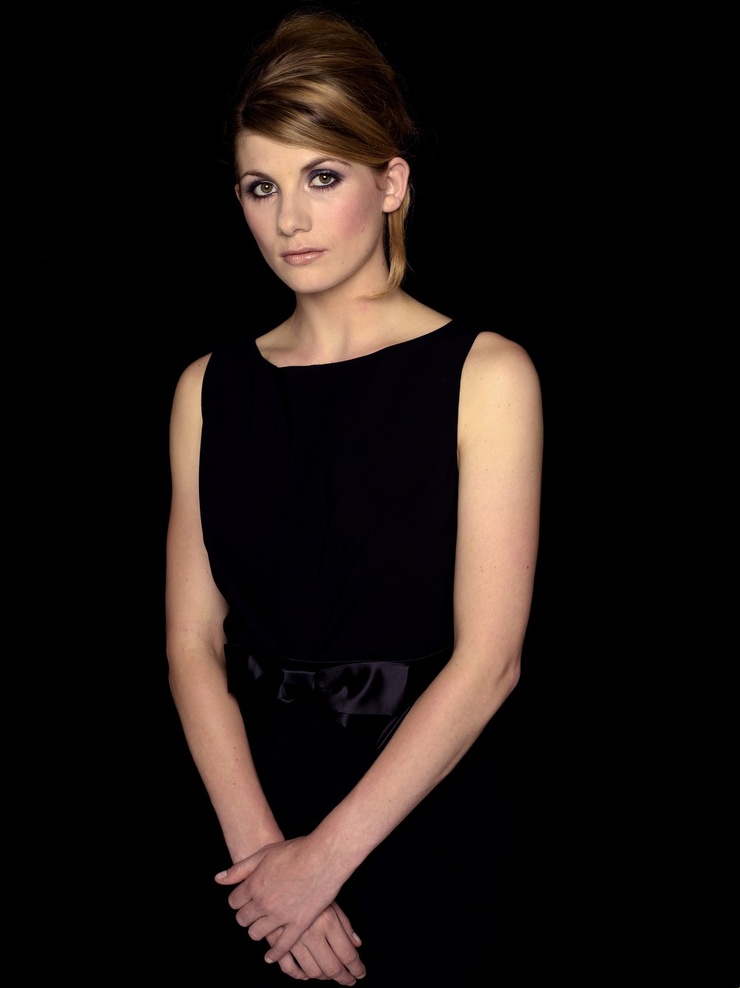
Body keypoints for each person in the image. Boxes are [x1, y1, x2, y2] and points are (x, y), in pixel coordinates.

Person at [165, 7, 543, 985]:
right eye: (262, 186)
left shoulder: (486, 375)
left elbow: (490, 662)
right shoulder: (209, 389)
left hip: (425, 830)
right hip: (242, 834)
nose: (288, 219)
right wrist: (265, 863)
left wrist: (321, 863)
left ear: (391, 184)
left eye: (321, 177)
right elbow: (190, 644)